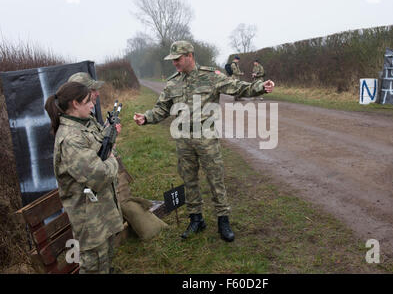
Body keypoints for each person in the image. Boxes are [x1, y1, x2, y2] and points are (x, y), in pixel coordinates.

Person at [133, 40, 275, 242]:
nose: (175, 63)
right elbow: (161, 108)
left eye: (178, 59)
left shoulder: (210, 77)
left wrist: (261, 86)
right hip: (183, 139)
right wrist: (146, 117)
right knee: (189, 180)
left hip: (206, 137)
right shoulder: (173, 82)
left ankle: (223, 221)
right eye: (172, 60)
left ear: (190, 56)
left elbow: (237, 87)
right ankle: (196, 219)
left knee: (215, 178)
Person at [44, 82, 123, 274]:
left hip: (101, 209)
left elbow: (97, 150)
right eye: (88, 101)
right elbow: (99, 175)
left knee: (106, 258)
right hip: (89, 217)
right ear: (75, 104)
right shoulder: (70, 139)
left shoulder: (84, 124)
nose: (92, 105)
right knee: (94, 265)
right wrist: (113, 160)